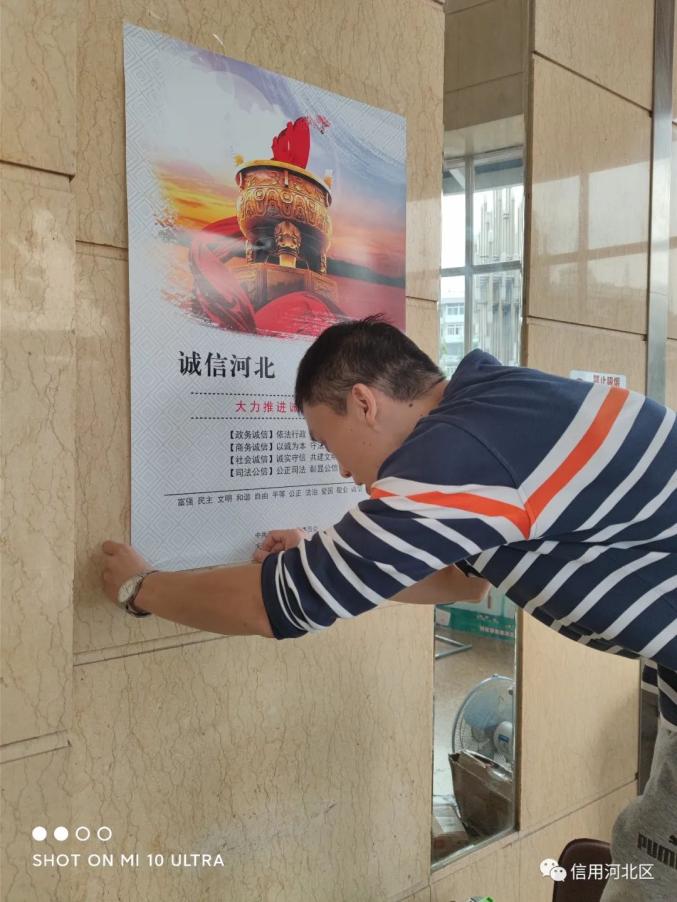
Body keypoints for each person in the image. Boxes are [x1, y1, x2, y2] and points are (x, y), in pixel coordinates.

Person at [102, 317, 676, 898]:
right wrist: (318, 550)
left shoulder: (456, 452)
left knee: (649, 875)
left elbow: (279, 605)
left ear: (363, 403)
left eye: (327, 442)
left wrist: (141, 587)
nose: (342, 470)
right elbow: (462, 583)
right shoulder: (495, 402)